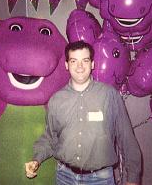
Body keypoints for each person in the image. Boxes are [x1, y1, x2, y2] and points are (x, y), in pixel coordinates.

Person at [25, 40, 141, 185]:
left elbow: (127, 139)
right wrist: (36, 159)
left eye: (85, 60)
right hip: (64, 177)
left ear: (92, 64)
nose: (80, 66)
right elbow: (50, 138)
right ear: (67, 65)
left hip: (100, 179)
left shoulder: (109, 95)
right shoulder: (56, 100)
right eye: (74, 61)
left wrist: (132, 179)